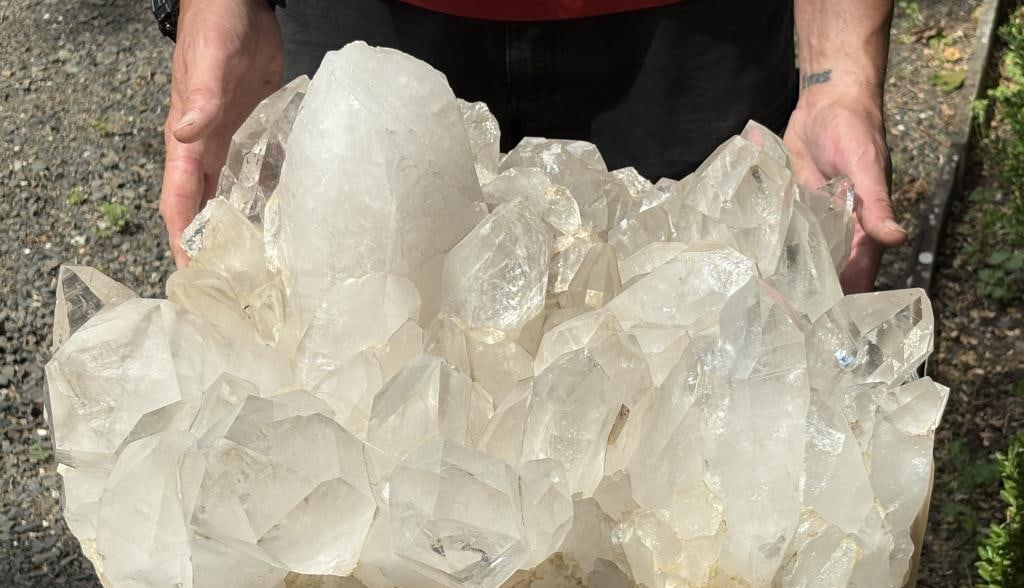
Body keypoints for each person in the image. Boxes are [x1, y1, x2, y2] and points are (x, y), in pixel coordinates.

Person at [159, 0, 907, 294]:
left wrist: (839, 70)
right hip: (361, 19)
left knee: (688, 389)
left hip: (692, 28)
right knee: (345, 386)